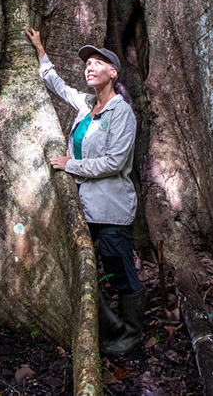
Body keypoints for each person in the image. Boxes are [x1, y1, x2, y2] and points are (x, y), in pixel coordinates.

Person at [24, 28, 145, 355]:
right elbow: (57, 85)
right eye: (87, 64)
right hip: (84, 206)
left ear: (113, 72)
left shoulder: (122, 113)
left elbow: (114, 162)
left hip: (111, 210)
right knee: (79, 267)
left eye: (97, 63)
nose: (89, 67)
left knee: (120, 271)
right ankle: (108, 330)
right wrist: (39, 49)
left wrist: (70, 165)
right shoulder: (86, 104)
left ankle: (133, 336)